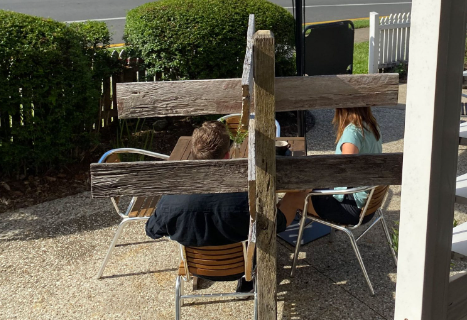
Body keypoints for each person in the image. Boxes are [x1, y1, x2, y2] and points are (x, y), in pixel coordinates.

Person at [145, 121, 287, 288]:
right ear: (227, 156)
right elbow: (278, 224)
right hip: (243, 267)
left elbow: (152, 230)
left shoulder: (172, 199)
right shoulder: (244, 197)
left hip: (197, 268)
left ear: (193, 153)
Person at [278, 107, 382, 227]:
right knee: (299, 191)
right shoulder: (371, 125)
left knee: (293, 197)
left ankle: (268, 233)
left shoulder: (353, 133)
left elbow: (343, 173)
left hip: (351, 206)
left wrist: (313, 184)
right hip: (366, 204)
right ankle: (274, 220)